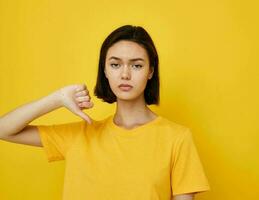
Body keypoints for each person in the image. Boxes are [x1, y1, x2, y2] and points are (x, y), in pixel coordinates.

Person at [0, 25, 210, 200]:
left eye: (136, 66)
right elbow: (4, 129)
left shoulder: (177, 139)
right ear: (105, 70)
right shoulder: (80, 135)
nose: (125, 74)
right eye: (115, 64)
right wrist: (57, 98)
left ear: (150, 71)